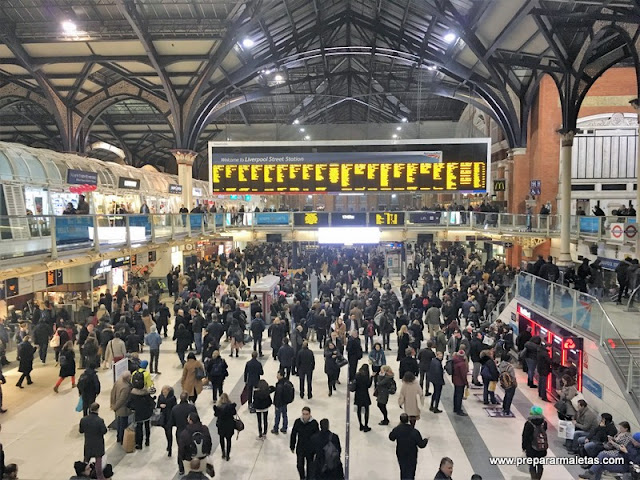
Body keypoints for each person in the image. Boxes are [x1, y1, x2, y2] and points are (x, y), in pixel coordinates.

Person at [388, 413, 429, 480]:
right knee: (411, 472)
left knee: (403, 470)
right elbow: (421, 445)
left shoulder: (397, 429)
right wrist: (426, 440)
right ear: (408, 420)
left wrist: (398, 426)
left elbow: (391, 437)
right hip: (411, 455)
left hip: (401, 454)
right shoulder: (414, 431)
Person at [171, 392, 198, 475]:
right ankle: (191, 466)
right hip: (190, 431)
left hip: (179, 432)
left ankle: (181, 468)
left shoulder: (175, 408)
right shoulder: (192, 408)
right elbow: (196, 419)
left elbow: (172, 422)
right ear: (187, 398)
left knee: (180, 450)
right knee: (191, 449)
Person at [78, 402, 107, 480]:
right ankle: (100, 477)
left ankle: (83, 476)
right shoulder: (100, 420)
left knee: (86, 461)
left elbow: (81, 431)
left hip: (88, 443)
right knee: (98, 462)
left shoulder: (83, 420)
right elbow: (104, 431)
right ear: (97, 410)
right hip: (98, 444)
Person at [290, 406, 320, 480]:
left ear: (310, 414)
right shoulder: (298, 422)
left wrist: (317, 449)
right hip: (300, 447)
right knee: (299, 465)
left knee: (310, 465)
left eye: (306, 414)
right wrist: (292, 445)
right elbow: (293, 434)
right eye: (303, 414)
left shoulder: (314, 423)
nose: (305, 416)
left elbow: (317, 436)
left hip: (310, 449)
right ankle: (302, 477)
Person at [126, 379, 155, 449]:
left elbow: (128, 404)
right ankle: (147, 440)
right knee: (147, 426)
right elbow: (152, 403)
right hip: (147, 413)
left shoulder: (133, 394)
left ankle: (139, 443)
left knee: (139, 428)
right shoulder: (146, 393)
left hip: (138, 414)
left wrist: (133, 408)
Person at [522, 406, 548, 479]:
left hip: (531, 448)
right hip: (541, 447)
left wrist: (524, 447)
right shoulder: (544, 423)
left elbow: (525, 436)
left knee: (532, 465)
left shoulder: (529, 423)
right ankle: (538, 478)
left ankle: (533, 478)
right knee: (540, 465)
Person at [109, 371, 132, 445]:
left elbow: (113, 392)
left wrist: (112, 404)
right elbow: (122, 400)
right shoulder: (126, 387)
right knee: (123, 424)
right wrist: (115, 407)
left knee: (119, 422)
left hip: (117, 407)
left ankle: (118, 437)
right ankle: (122, 439)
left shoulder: (118, 381)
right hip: (123, 409)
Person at [214, 393, 237, 461]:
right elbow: (234, 413)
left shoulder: (218, 408)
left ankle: (223, 452)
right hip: (229, 425)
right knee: (228, 440)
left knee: (221, 439)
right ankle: (228, 455)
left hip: (221, 425)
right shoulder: (231, 406)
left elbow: (215, 415)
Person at [157, 385, 177, 457]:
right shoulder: (160, 397)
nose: (164, 393)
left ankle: (170, 447)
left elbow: (175, 407)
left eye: (165, 392)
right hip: (163, 417)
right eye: (163, 392)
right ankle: (168, 444)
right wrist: (160, 405)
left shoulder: (172, 398)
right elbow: (157, 405)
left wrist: (167, 405)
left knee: (169, 432)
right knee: (166, 432)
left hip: (170, 417)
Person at [353, 364, 373, 432]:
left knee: (359, 410)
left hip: (358, 394)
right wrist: (371, 378)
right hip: (365, 395)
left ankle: (360, 425)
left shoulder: (357, 375)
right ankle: (366, 425)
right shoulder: (366, 377)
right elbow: (368, 385)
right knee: (366, 411)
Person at [452, 349, 469, 416]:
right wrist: (466, 383)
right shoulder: (462, 364)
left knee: (456, 395)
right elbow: (463, 375)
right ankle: (459, 410)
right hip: (460, 382)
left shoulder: (455, 361)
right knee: (459, 396)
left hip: (455, 380)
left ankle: (455, 408)